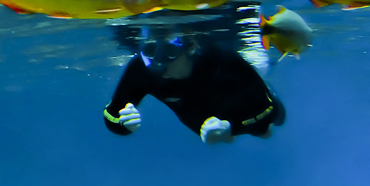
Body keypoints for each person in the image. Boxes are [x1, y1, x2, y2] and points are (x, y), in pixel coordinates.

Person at [102, 32, 285, 144]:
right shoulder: (141, 69)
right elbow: (112, 114)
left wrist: (228, 129)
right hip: (199, 122)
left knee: (264, 131)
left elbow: (270, 111)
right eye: (149, 50)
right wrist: (123, 124)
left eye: (170, 51)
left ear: (190, 47)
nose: (158, 62)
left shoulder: (221, 58)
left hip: (241, 108)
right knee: (226, 136)